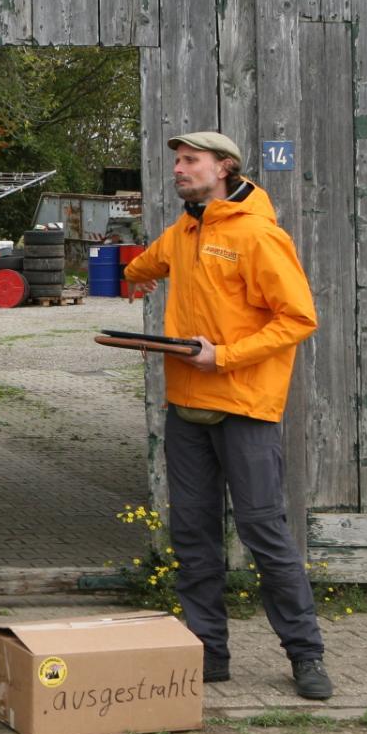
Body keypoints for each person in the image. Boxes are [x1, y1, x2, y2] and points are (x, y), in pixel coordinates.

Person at [124, 131, 332, 699]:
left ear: (224, 167)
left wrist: (227, 357)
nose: (179, 169)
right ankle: (209, 654)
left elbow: (298, 318)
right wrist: (132, 277)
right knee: (192, 534)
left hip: (244, 405)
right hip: (185, 406)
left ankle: (306, 656)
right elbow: (148, 264)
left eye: (191, 161)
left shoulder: (258, 235)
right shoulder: (186, 230)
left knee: (264, 532)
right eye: (177, 161)